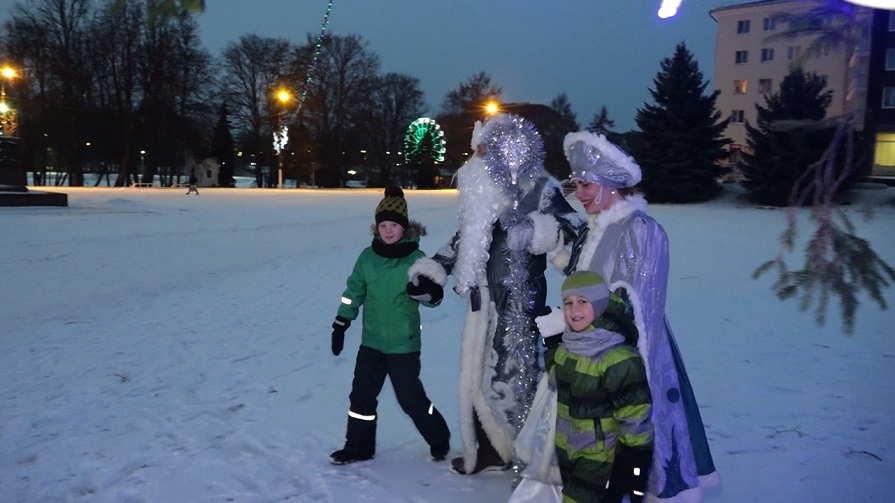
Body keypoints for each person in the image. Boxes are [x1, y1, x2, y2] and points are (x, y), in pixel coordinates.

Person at [537, 131, 720, 501]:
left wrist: (581, 333)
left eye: (587, 184)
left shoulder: (641, 231)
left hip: (624, 357)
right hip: (585, 349)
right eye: (577, 184)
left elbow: (637, 307)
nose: (580, 193)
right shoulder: (596, 229)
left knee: (628, 432)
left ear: (612, 184)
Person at [408, 113, 583, 475]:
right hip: (480, 301)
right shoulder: (481, 190)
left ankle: (528, 459)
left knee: (516, 378)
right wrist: (435, 270)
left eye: (486, 148)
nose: (478, 156)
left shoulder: (539, 187)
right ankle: (489, 450)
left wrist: (536, 232)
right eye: (476, 150)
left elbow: (573, 227)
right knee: (476, 377)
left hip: (519, 299)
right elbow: (465, 237)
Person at [329, 185, 451, 465]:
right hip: (371, 343)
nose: (387, 230)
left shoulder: (415, 260)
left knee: (410, 398)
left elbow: (433, 296)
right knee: (361, 396)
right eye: (382, 224)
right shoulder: (367, 258)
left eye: (393, 225)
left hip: (403, 345)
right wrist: (341, 320)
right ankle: (358, 447)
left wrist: (430, 293)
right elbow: (353, 290)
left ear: (404, 228)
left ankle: (438, 437)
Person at [551, 271, 654, 502]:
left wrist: (636, 463)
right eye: (568, 303)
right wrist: (550, 346)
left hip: (601, 456)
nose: (574, 310)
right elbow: (556, 381)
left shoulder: (618, 358)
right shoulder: (568, 345)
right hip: (567, 450)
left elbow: (635, 413)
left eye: (583, 302)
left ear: (599, 305)